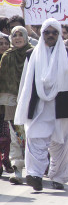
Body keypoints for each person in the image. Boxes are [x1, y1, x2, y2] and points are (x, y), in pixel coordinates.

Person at [14, 18, 68, 191]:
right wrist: (22, 103)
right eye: (47, 32)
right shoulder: (31, 55)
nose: (51, 35)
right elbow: (25, 81)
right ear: (42, 34)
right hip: (39, 105)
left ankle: (58, 177)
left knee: (61, 144)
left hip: (62, 104)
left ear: (59, 35)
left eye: (55, 32)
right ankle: (35, 175)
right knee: (34, 137)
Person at [0, 26, 33, 185]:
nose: (18, 38)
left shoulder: (33, 53)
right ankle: (17, 169)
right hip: (12, 102)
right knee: (16, 136)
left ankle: (35, 169)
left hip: (32, 101)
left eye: (21, 35)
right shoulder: (7, 56)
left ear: (26, 37)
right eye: (15, 35)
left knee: (32, 135)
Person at [0, 32, 13, 177]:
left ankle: (7, 160)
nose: (3, 46)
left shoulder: (11, 58)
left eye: (5, 43)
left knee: (7, 136)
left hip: (7, 103)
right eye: (0, 44)